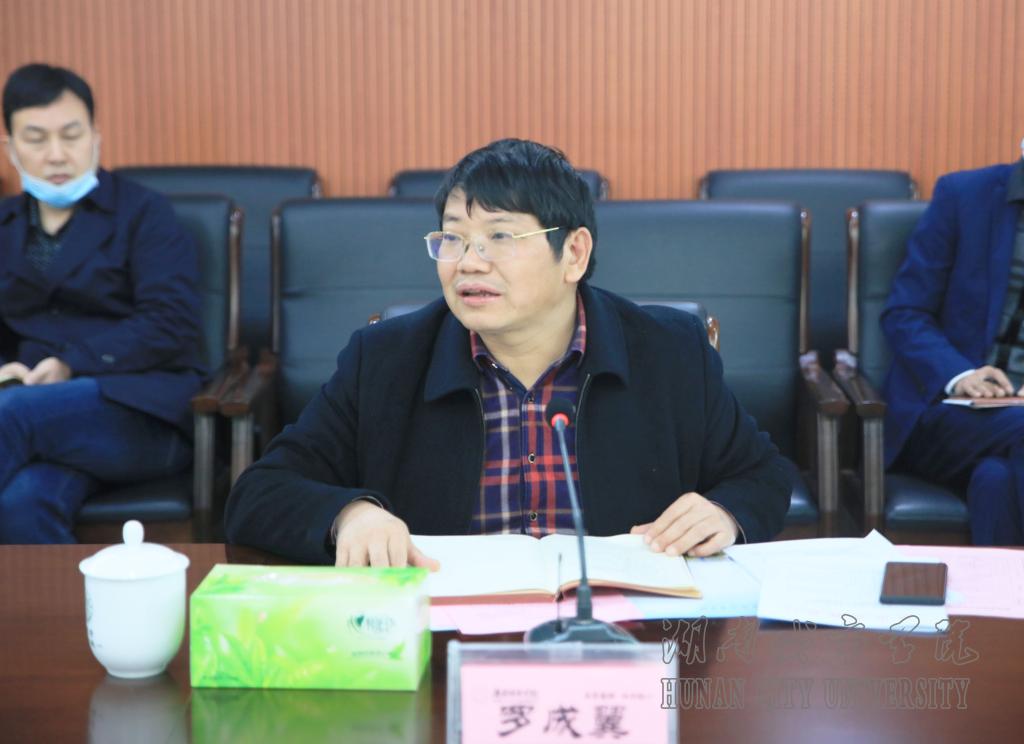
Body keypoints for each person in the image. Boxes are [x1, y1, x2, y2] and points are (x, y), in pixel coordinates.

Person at [225, 138, 790, 566]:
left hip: (628, 636)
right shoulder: (386, 360)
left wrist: (724, 512)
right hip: (447, 637)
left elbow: (760, 475)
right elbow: (260, 493)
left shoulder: (668, 351)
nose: (469, 262)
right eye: (452, 238)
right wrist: (348, 515)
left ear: (573, 253)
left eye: (500, 236)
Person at [0, 63, 203, 543]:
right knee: (22, 502)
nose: (56, 154)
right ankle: (56, 598)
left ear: (95, 136)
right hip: (35, 416)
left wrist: (70, 363)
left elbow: (170, 322)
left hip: (137, 411)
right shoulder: (4, 224)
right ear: (9, 148)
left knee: (13, 413)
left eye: (71, 135)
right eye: (36, 139)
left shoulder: (145, 214)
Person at [881, 154, 1024, 545]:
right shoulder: (965, 195)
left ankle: (996, 588)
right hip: (948, 410)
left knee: (994, 481)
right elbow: (904, 312)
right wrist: (960, 375)